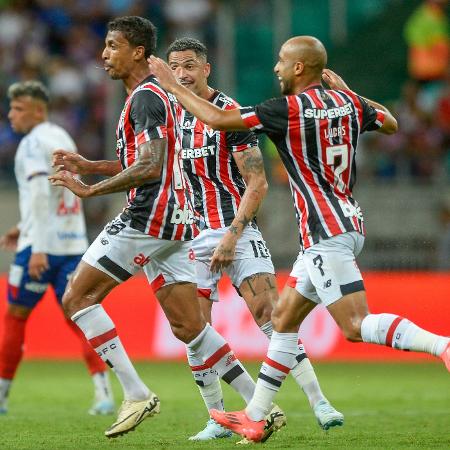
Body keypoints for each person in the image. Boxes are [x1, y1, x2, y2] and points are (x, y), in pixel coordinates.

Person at [149, 35, 450, 442]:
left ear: (297, 68)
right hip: (342, 222)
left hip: (325, 229)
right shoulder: (349, 103)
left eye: (281, 61)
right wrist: (348, 92)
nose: (274, 68)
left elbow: (220, 120)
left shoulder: (286, 109)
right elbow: (391, 123)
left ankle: (441, 345)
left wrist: (170, 84)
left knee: (355, 325)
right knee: (283, 320)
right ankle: (255, 416)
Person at [49, 16, 272, 440]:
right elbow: (157, 159)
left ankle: (135, 393)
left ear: (137, 52)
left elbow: (150, 167)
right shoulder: (152, 97)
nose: (103, 54)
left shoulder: (146, 98)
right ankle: (263, 405)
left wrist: (90, 190)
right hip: (178, 220)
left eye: (112, 46)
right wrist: (93, 165)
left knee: (77, 297)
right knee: (189, 327)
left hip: (149, 216)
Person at [166, 37, 343, 441]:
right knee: (196, 331)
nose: (182, 74)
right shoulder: (174, 115)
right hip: (192, 234)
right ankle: (217, 416)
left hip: (237, 229)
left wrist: (232, 235)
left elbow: (257, 181)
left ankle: (320, 402)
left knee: (271, 315)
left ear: (207, 68)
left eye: (190, 65)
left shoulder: (230, 113)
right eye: (175, 66)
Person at [0, 80, 114, 416]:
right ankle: (103, 394)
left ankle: (2, 396)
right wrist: (24, 226)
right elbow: (59, 192)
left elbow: (38, 193)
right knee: (79, 318)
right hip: (72, 245)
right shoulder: (62, 137)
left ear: (38, 110)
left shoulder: (31, 144)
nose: (11, 115)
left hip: (41, 249)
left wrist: (36, 245)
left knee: (14, 318)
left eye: (18, 108)